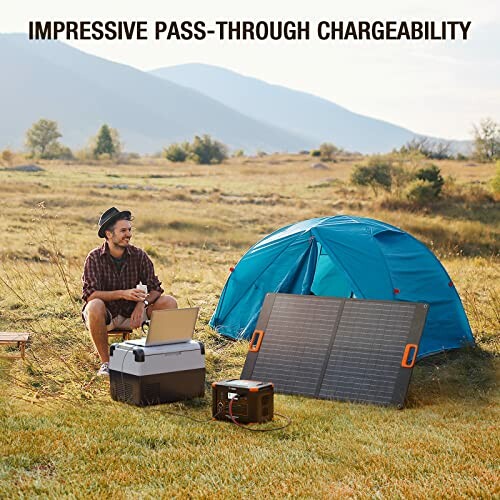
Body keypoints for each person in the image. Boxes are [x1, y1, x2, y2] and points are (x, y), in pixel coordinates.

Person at [82, 207, 177, 376]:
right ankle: (106, 364)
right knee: (94, 305)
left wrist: (142, 304)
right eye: (123, 230)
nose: (129, 234)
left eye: (130, 230)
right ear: (109, 234)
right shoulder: (94, 257)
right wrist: (123, 293)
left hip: (132, 315)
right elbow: (90, 295)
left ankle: (159, 358)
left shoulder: (139, 255)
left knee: (169, 302)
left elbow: (155, 288)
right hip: (106, 316)